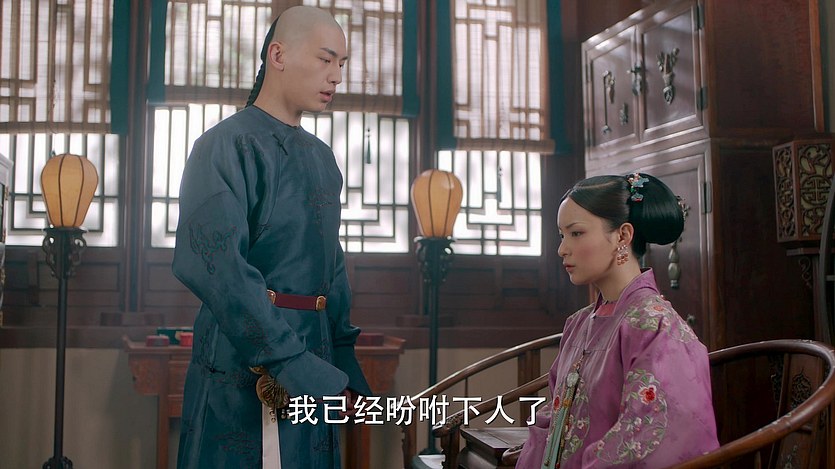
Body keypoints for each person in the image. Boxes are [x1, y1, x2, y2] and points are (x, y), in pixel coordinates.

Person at [172, 6, 372, 468]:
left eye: (342, 63)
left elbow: (331, 268)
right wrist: (289, 361)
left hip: (315, 351)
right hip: (245, 355)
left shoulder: (322, 158)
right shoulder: (223, 146)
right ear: (277, 55)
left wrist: (342, 358)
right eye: (325, 59)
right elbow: (219, 267)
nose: (337, 75)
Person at [514, 173, 719, 468]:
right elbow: (552, 420)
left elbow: (651, 440)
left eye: (576, 233)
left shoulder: (655, 326)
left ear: (622, 236)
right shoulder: (579, 323)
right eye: (562, 236)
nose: (562, 249)